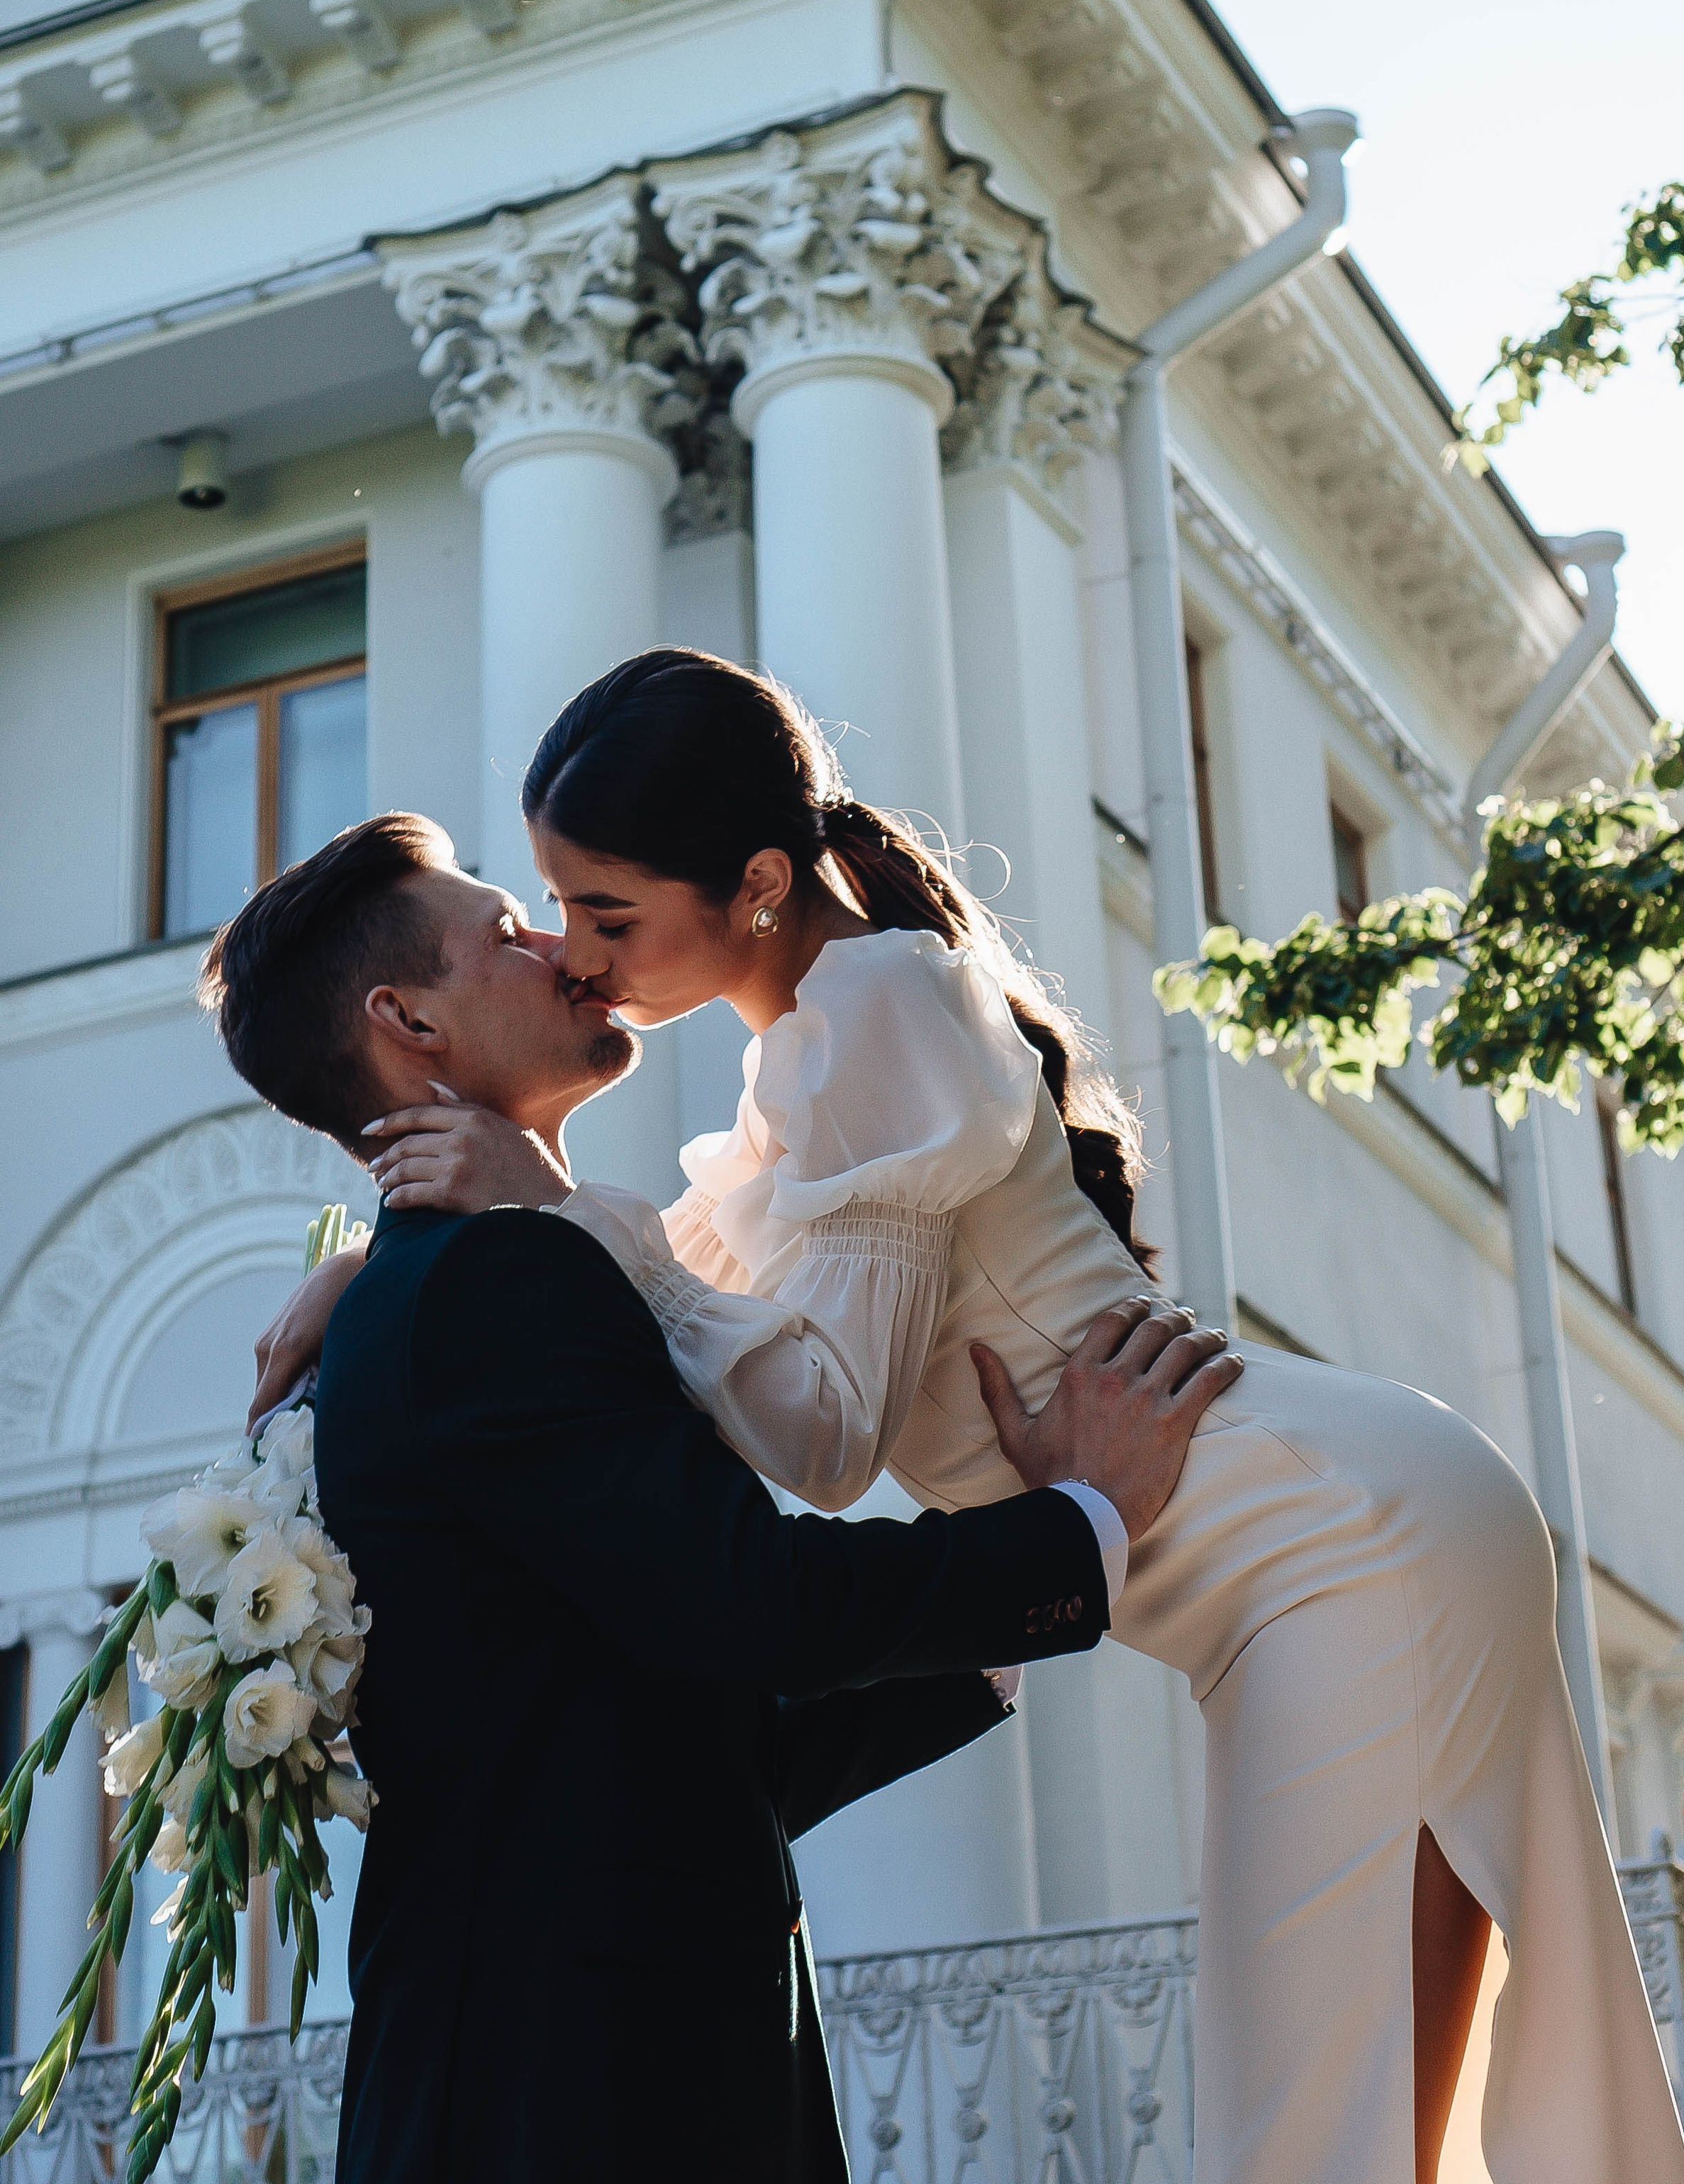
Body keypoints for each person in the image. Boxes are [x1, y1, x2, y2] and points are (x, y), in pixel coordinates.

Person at [257, 653, 1684, 2184]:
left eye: (604, 913)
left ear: (751, 886)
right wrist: (378, 1260)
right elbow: (653, 1321)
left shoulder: (874, 1006)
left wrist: (553, 1213)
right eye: (550, 912)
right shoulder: (793, 1074)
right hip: (1332, 1534)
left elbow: (818, 1437)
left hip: (1333, 1537)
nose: (575, 955)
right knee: (1369, 2117)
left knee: (1306, 2117)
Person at [203, 810, 1239, 2184]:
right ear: (409, 1020)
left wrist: (993, 1631)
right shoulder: (492, 1286)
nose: (562, 951)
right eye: (508, 932)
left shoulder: (446, 1289)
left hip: (575, 2077)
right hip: (576, 2099)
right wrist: (1077, 1524)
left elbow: (671, 1746)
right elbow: (758, 1606)